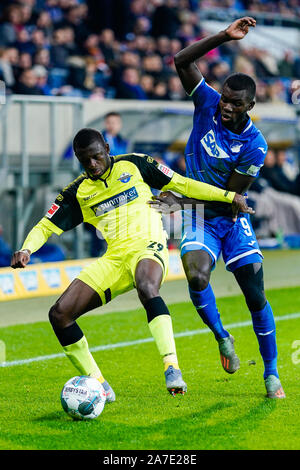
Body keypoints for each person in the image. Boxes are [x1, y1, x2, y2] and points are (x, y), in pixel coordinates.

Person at [11, 128, 252, 402]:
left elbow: (183, 184)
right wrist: (27, 248)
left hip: (148, 245)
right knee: (59, 314)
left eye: (97, 156)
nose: (92, 164)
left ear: (106, 147)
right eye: (85, 160)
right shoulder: (78, 192)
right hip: (114, 259)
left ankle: (171, 366)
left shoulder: (135, 164)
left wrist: (229, 196)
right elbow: (46, 225)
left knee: (147, 287)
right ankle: (98, 385)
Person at [150, 17, 285, 399]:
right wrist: (224, 36)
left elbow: (229, 199)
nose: (225, 106)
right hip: (199, 218)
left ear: (251, 106)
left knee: (255, 295)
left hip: (229, 219)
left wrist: (176, 201)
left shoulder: (255, 146)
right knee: (196, 276)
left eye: (235, 103)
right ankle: (222, 337)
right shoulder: (207, 103)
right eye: (224, 98)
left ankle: (271, 373)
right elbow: (180, 60)